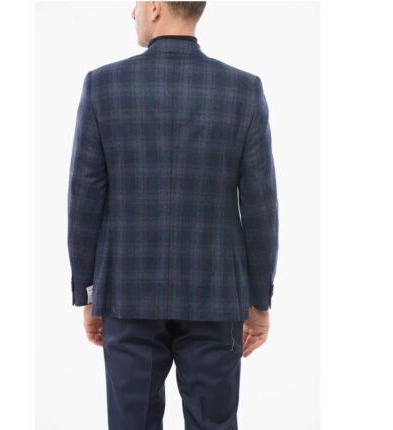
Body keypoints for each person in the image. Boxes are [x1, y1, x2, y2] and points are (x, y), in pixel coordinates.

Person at [67, 1, 279, 428]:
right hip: (215, 296)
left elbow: (84, 200)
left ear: (156, 8)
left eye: (136, 4)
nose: (132, 14)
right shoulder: (242, 90)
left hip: (127, 294)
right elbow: (261, 208)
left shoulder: (104, 86)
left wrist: (87, 293)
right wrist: (259, 302)